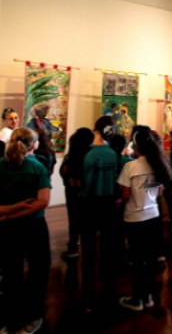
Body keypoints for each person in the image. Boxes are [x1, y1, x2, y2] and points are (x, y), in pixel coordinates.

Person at [0, 128, 52, 334]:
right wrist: (17, 209)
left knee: (10, 273)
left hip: (6, 228)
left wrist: (7, 214)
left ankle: (10, 321)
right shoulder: (38, 167)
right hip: (34, 228)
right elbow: (43, 202)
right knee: (39, 272)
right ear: (34, 145)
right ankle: (32, 317)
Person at [117, 130, 172, 311]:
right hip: (153, 217)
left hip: (134, 218)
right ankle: (148, 296)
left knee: (136, 259)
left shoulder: (130, 167)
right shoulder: (158, 164)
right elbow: (159, 192)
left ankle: (136, 299)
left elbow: (125, 195)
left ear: (136, 147)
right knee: (150, 259)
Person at [78, 116, 128, 312]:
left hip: (87, 204)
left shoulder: (84, 153)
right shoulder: (116, 155)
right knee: (108, 252)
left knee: (88, 253)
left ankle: (88, 298)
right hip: (109, 206)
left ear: (95, 130)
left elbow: (76, 181)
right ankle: (108, 293)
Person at [59, 128, 94, 260]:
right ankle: (88, 249)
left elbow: (64, 172)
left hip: (73, 190)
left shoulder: (73, 155)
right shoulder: (91, 154)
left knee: (73, 220)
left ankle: (73, 247)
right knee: (87, 220)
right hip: (89, 190)